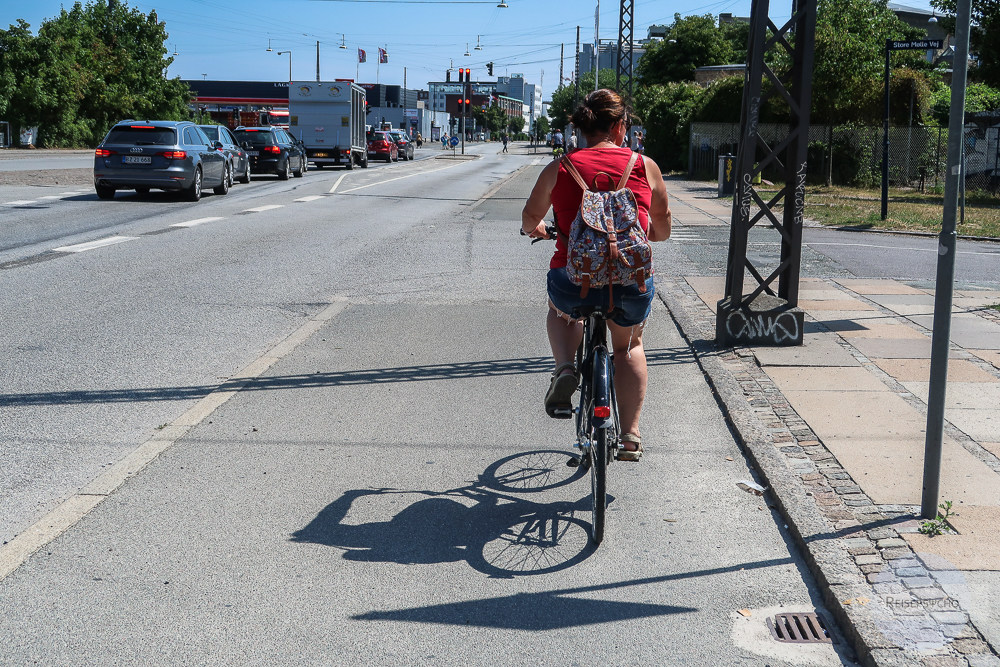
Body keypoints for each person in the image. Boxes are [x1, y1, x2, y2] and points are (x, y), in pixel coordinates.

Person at [521, 89, 671, 461]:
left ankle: (565, 368)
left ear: (582, 129)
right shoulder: (644, 165)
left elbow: (529, 220)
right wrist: (637, 230)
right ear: (621, 126)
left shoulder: (560, 166)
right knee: (629, 346)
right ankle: (631, 436)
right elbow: (662, 230)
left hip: (576, 281)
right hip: (629, 283)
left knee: (561, 310)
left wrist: (541, 230)